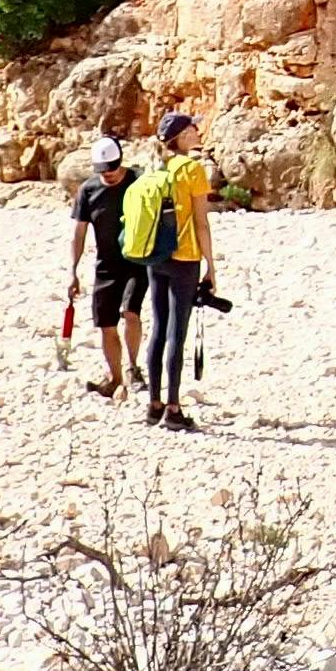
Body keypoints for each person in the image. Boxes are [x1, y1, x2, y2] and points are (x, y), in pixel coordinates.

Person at [122, 110, 217, 433]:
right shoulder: (192, 170)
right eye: (192, 127)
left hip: (155, 255)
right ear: (183, 136)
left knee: (159, 327)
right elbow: (202, 222)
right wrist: (211, 267)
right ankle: (174, 408)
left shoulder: (156, 168)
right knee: (178, 330)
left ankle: (154, 404)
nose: (197, 130)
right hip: (185, 257)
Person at [64, 136, 146, 398]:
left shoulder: (139, 180)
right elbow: (79, 232)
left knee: (130, 313)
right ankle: (115, 378)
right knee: (106, 324)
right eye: (103, 171)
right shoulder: (88, 191)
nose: (108, 175)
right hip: (106, 266)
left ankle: (133, 368)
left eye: (112, 169)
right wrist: (73, 271)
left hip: (137, 262)